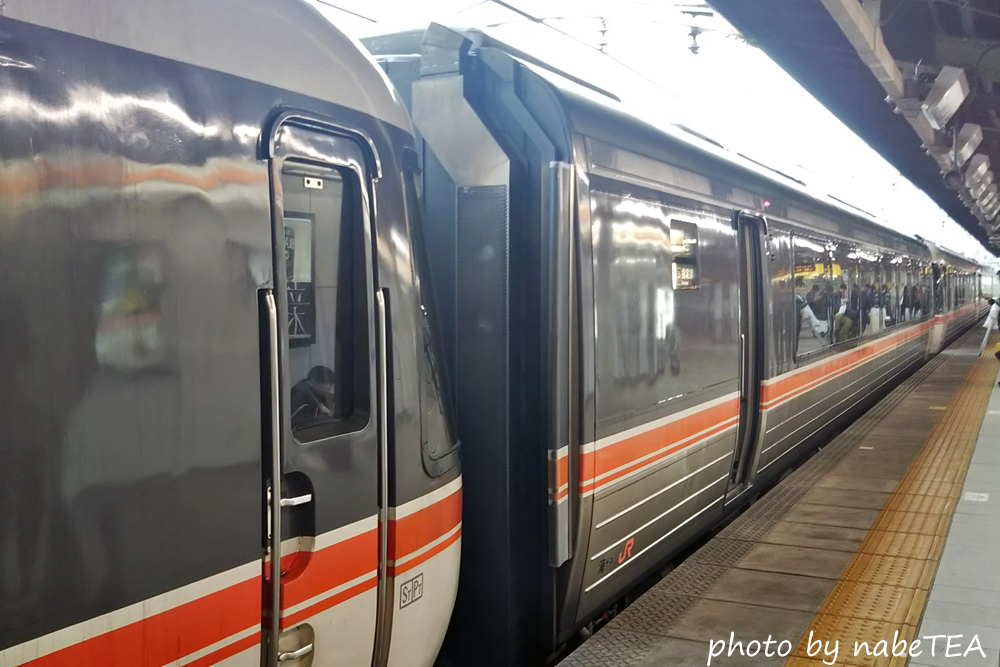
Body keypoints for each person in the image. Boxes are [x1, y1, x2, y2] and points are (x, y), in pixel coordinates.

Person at [290, 365, 337, 429]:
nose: (329, 387)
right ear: (312, 381)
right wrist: (328, 416)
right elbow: (299, 423)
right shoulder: (300, 395)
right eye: (326, 383)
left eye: (331, 384)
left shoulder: (319, 393)